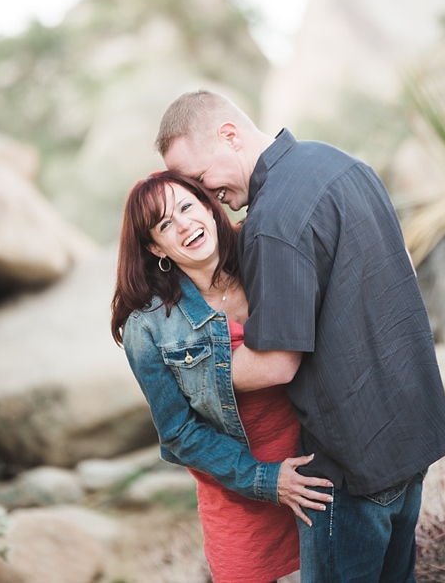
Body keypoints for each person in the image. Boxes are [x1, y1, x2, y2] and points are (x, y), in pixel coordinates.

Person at [156, 89, 445, 583]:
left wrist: (186, 375)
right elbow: (401, 271)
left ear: (229, 136)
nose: (206, 197)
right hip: (413, 438)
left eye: (198, 180)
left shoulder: (270, 222)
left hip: (350, 467)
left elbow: (277, 363)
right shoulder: (344, 164)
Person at [114, 170, 333, 583]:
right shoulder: (147, 327)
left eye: (186, 207)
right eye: (164, 224)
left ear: (209, 208)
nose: (183, 225)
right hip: (240, 494)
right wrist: (266, 479)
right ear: (154, 246)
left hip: (319, 472)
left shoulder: (267, 257)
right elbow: (179, 433)